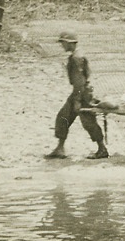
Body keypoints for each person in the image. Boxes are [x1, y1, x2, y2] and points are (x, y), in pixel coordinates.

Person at [46, 31, 109, 160]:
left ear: (69, 43)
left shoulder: (76, 58)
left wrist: (77, 101)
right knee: (63, 117)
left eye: (63, 43)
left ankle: (102, 149)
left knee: (88, 121)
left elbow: (79, 81)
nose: (62, 46)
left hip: (82, 93)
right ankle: (60, 148)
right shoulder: (78, 55)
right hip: (81, 92)